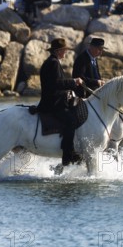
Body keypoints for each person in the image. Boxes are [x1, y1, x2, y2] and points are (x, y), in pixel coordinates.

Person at [37, 38, 85, 166]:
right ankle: (68, 154)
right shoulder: (53, 63)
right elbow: (57, 83)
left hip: (55, 99)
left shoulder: (52, 61)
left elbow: (58, 83)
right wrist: (74, 82)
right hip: (53, 103)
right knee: (71, 120)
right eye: (64, 50)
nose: (66, 53)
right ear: (59, 51)